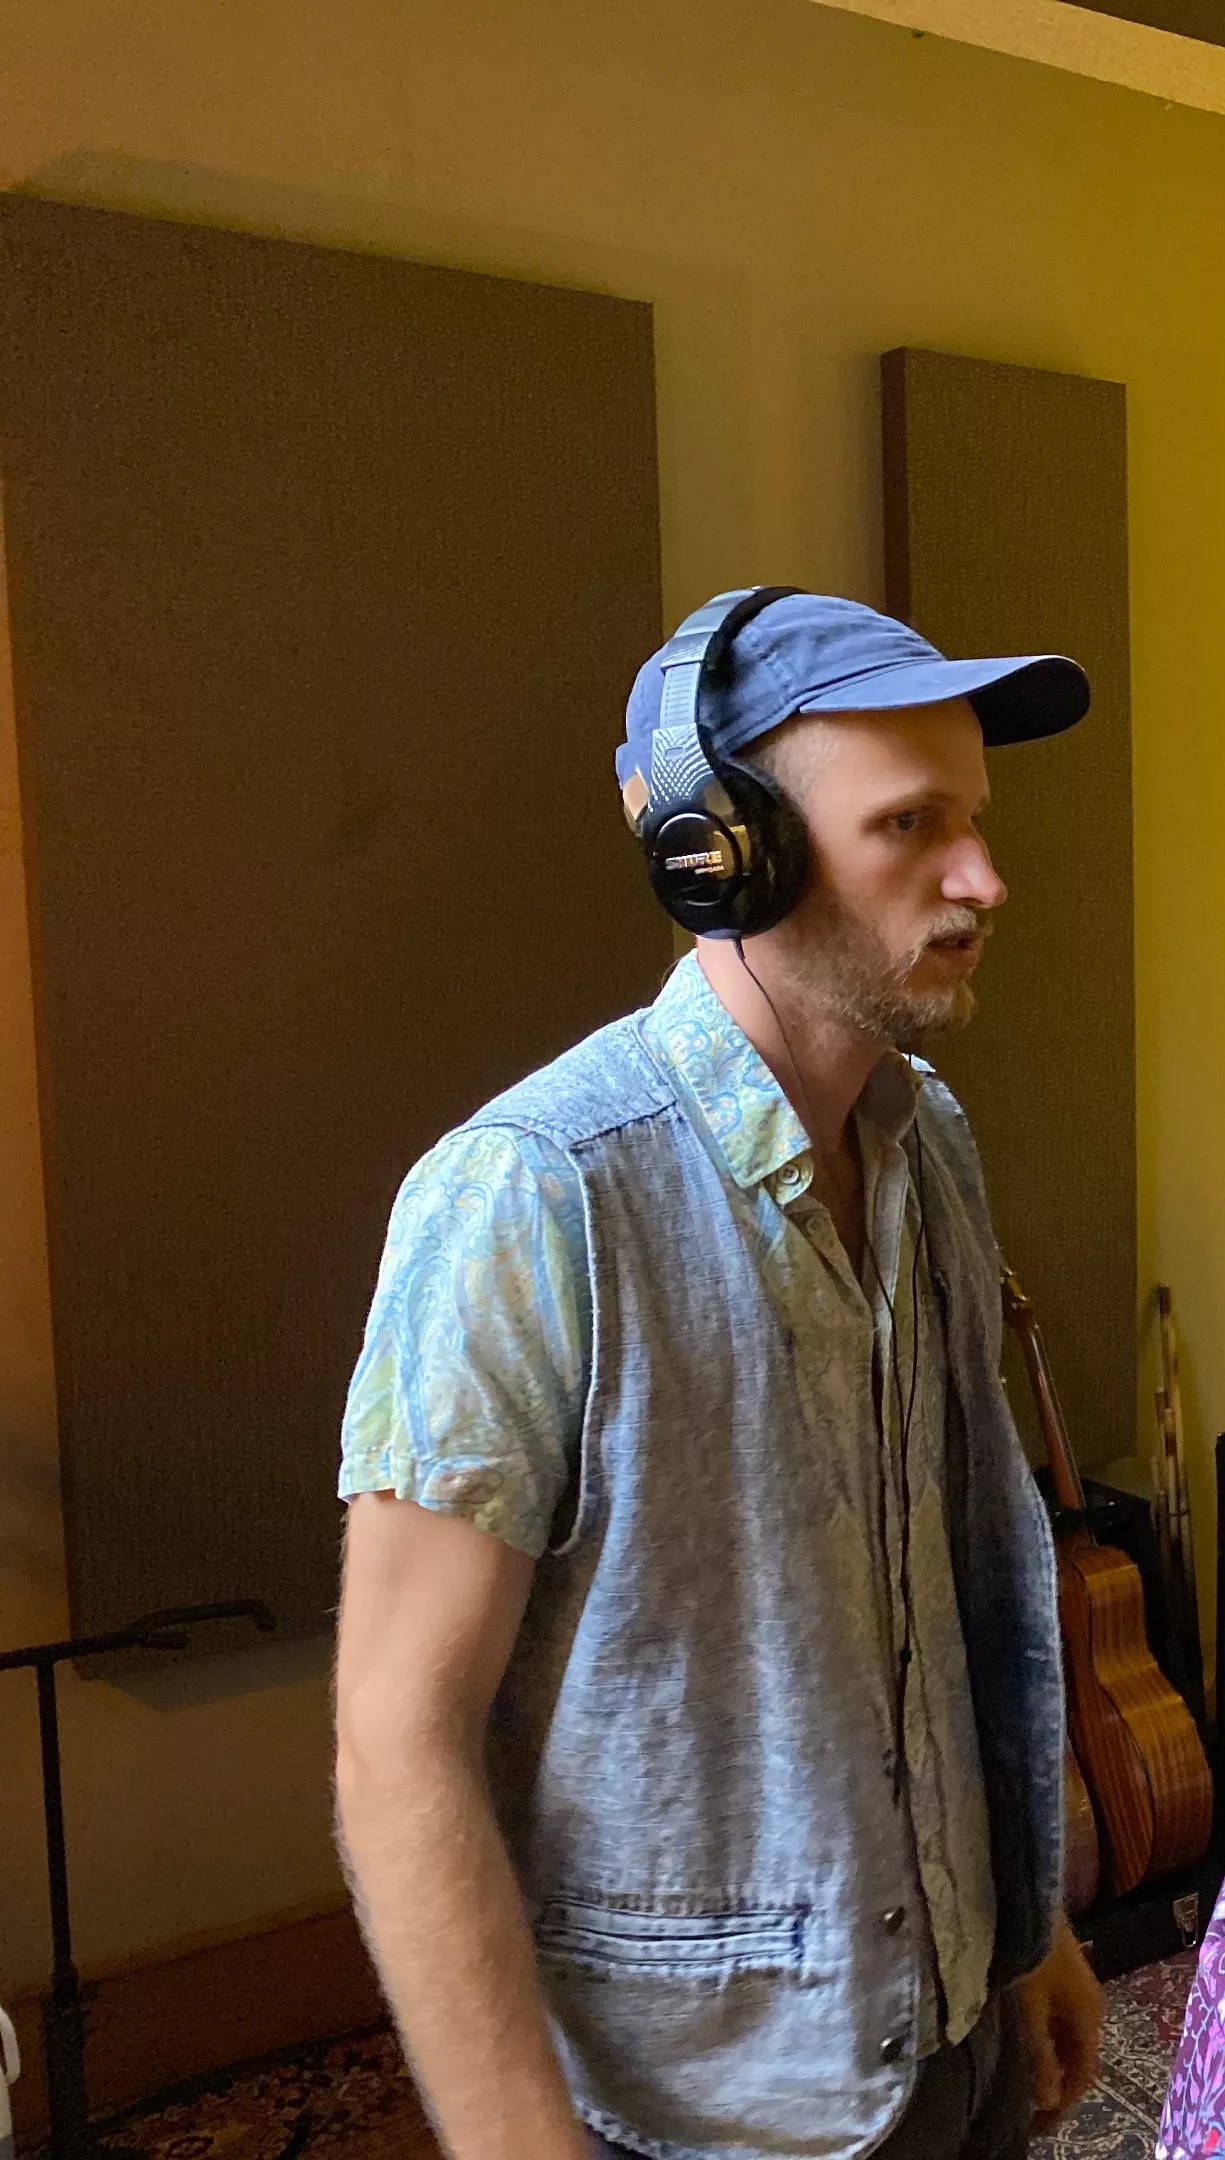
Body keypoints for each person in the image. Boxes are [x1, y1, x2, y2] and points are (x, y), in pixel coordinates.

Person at [334, 589, 1103, 2160]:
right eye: (912, 827)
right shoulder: (531, 1192)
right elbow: (394, 1732)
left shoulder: (927, 1136)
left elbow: (942, 1589)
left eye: (978, 821)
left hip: (952, 2047)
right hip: (699, 2109)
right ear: (718, 851)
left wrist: (1024, 1929)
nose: (985, 880)